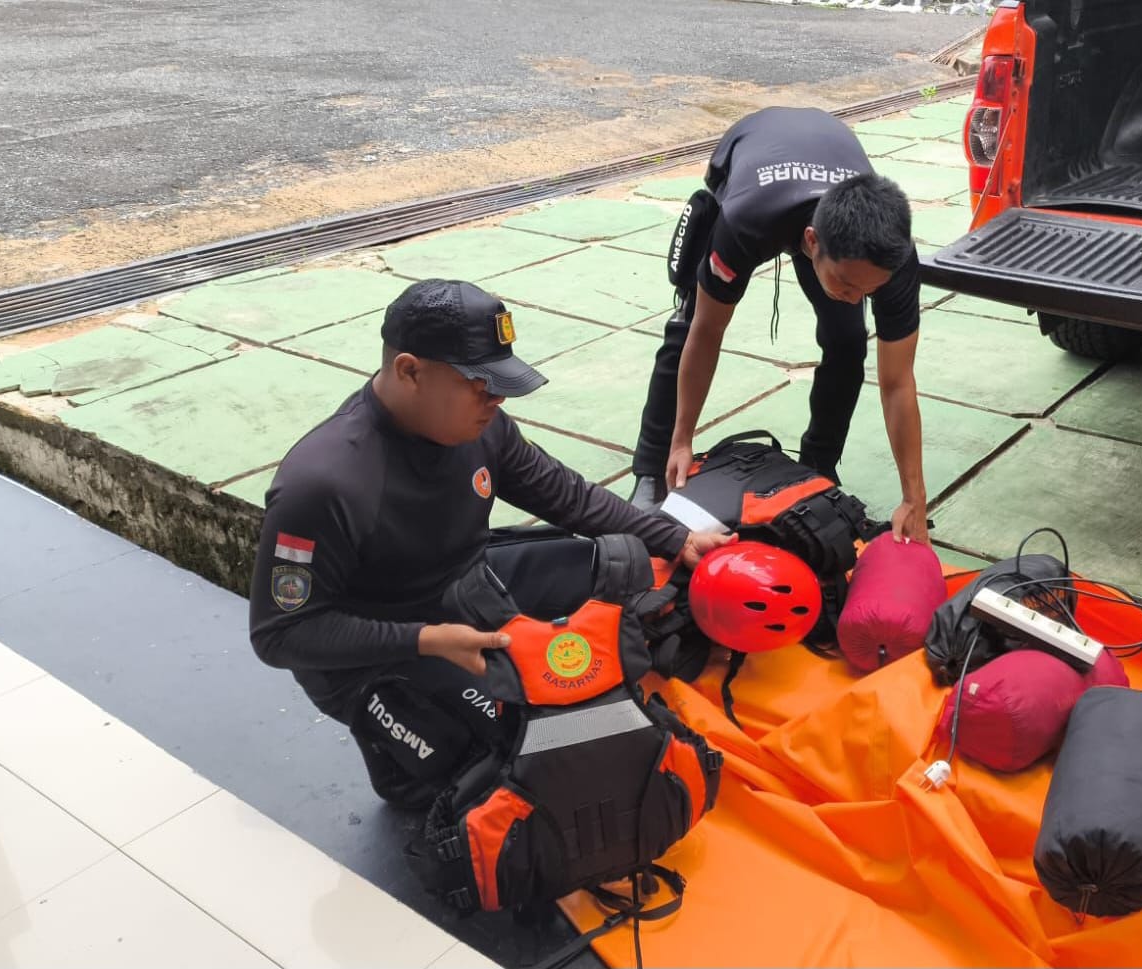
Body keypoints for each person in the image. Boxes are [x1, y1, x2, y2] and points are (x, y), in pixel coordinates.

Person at [248, 278, 733, 808]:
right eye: (481, 384)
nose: (496, 399)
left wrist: (676, 538)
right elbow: (281, 634)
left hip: (464, 586)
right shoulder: (323, 483)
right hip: (380, 649)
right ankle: (401, 760)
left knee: (628, 568)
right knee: (521, 757)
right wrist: (427, 640)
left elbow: (565, 494)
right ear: (410, 371)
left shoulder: (483, 427)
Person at [629, 106, 931, 544]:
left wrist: (914, 498)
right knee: (690, 322)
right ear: (811, 243)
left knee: (848, 340)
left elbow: (898, 382)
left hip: (826, 161)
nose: (856, 297)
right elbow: (708, 333)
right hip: (751, 162)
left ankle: (818, 465)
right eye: (848, 285)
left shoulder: (896, 260)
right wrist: (681, 441)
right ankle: (650, 468)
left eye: (869, 291)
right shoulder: (745, 222)